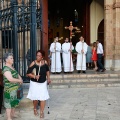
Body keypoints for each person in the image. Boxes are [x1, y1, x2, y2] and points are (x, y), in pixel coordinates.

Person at [26, 50, 51, 118]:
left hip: (43, 82)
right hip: (34, 83)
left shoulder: (45, 62)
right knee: (35, 98)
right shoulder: (33, 63)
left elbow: (47, 71)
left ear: (42, 57)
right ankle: (34, 108)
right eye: (37, 55)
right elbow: (28, 73)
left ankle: (42, 112)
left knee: (43, 98)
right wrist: (34, 76)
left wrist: (48, 78)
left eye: (39, 56)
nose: (38, 57)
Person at [2, 53, 23, 120]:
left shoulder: (11, 67)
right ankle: (9, 118)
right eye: (11, 58)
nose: (13, 59)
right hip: (9, 90)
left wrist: (20, 78)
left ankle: (12, 115)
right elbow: (10, 79)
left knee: (14, 103)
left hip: (14, 89)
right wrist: (19, 80)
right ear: (6, 60)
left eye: (12, 58)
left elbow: (16, 74)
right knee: (9, 105)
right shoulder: (6, 69)